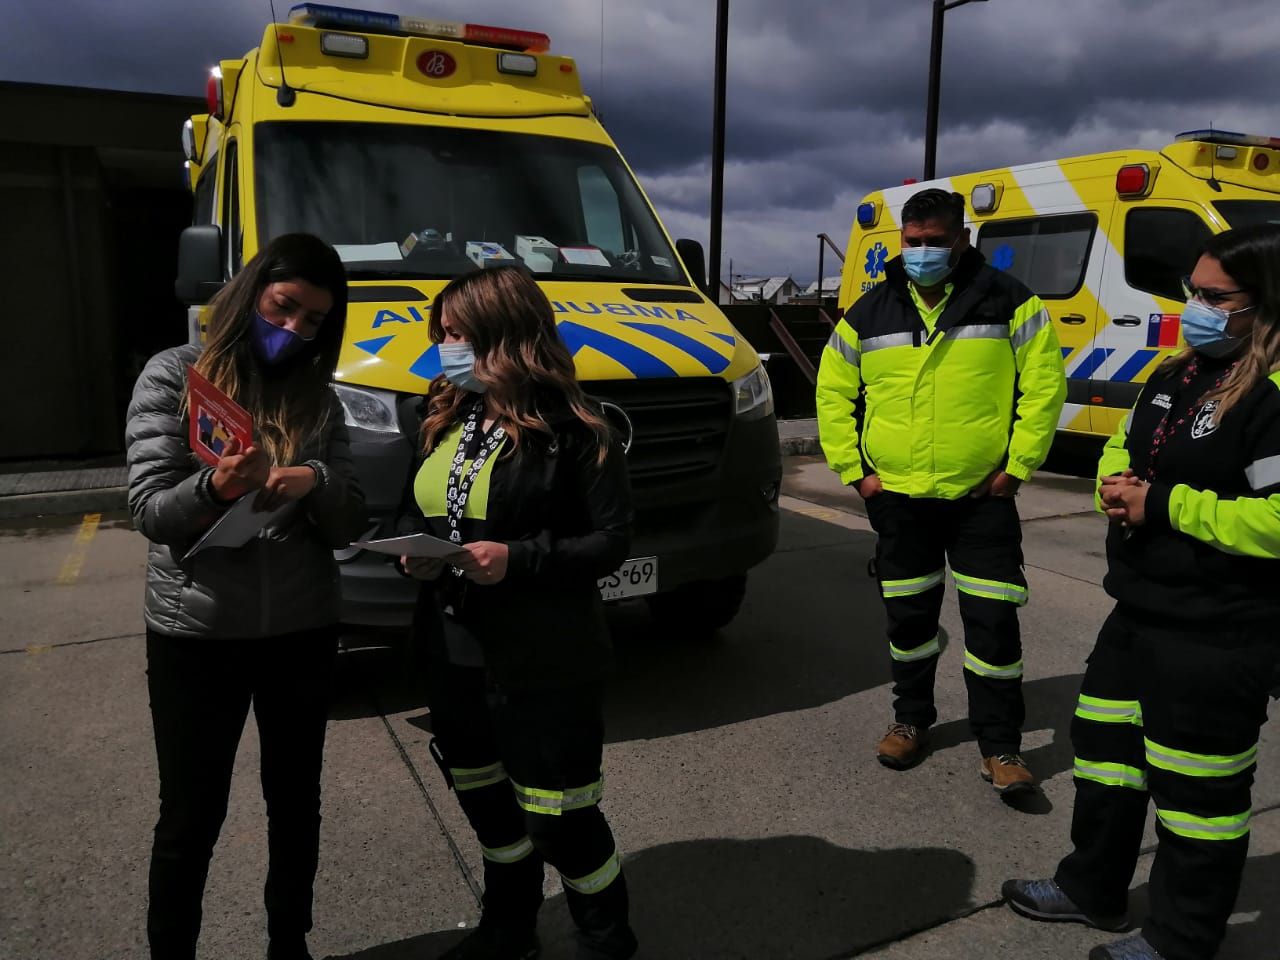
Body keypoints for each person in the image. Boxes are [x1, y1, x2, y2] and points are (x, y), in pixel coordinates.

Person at [1004, 224, 1280, 960]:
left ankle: (1182, 940)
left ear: (1268, 305)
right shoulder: (1176, 371)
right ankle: (1091, 888)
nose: (1196, 306)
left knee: (1197, 801)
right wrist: (1111, 483)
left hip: (1221, 629)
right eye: (1194, 290)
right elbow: (1125, 443)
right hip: (1140, 611)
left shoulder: (1273, 398)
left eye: (1216, 297)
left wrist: (1159, 505)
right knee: (1104, 754)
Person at [125, 233, 365, 960]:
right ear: (252, 289)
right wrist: (214, 486)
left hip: (300, 630)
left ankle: (289, 945)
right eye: (284, 307)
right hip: (197, 635)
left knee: (296, 808)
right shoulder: (176, 375)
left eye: (314, 321)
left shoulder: (318, 401)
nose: (294, 329)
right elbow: (149, 510)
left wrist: (316, 482)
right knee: (191, 817)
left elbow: (352, 516)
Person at [401, 265, 637, 960]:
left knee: (560, 818)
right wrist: (411, 552)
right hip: (454, 649)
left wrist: (519, 558)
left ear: (505, 337)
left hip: (544, 655)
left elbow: (612, 540)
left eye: (456, 334)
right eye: (441, 333)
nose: (443, 348)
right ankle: (508, 928)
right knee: (489, 807)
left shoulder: (579, 429)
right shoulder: (443, 413)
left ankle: (606, 938)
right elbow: (417, 506)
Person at [816, 187, 1066, 792]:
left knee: (992, 628)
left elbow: (1043, 389)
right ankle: (910, 721)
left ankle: (1001, 747)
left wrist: (1017, 468)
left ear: (961, 238)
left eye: (936, 240)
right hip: (898, 501)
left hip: (983, 501)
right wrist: (857, 474)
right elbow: (832, 396)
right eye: (914, 241)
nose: (923, 251)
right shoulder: (869, 312)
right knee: (910, 624)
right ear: (902, 240)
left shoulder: (1012, 302)